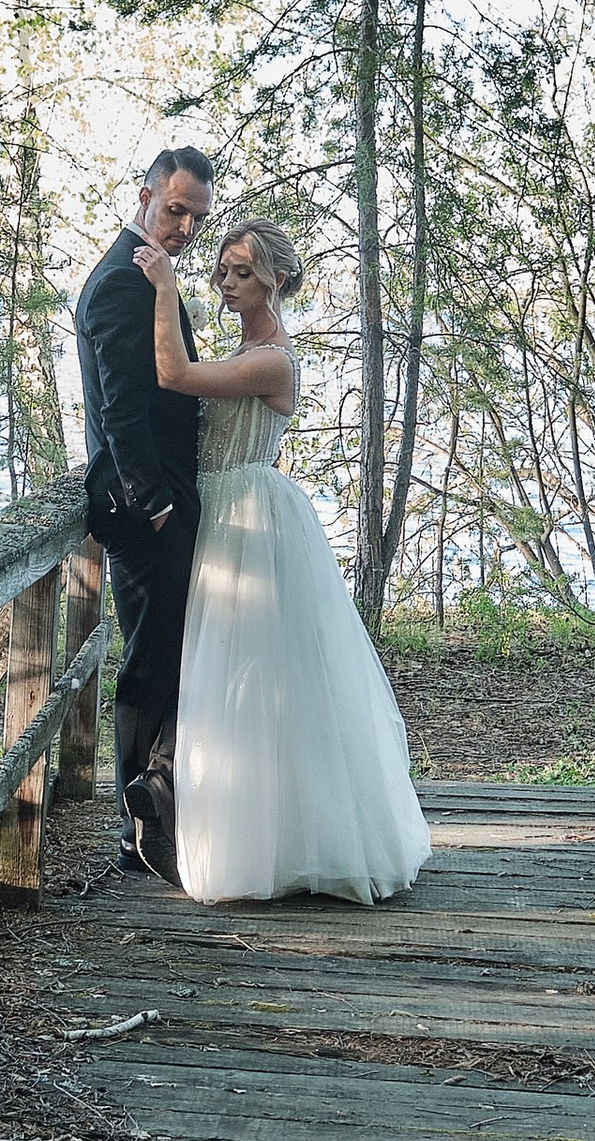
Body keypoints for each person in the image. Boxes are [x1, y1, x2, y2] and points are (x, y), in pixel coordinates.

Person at [134, 215, 431, 907]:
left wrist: (161, 285)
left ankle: (293, 842)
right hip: (223, 514)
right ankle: (246, 831)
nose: (228, 283)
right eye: (224, 271)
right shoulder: (246, 346)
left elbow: (174, 373)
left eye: (243, 273)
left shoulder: (271, 358)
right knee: (233, 685)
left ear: (276, 280)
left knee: (257, 683)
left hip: (248, 521)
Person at [76, 145, 214, 879]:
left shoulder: (144, 275)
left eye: (196, 216)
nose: (185, 226)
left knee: (167, 657)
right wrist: (154, 502)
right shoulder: (119, 285)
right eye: (175, 209)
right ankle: (136, 833)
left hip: (162, 504)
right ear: (145, 196)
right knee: (148, 664)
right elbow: (122, 411)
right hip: (143, 510)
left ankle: (159, 814)